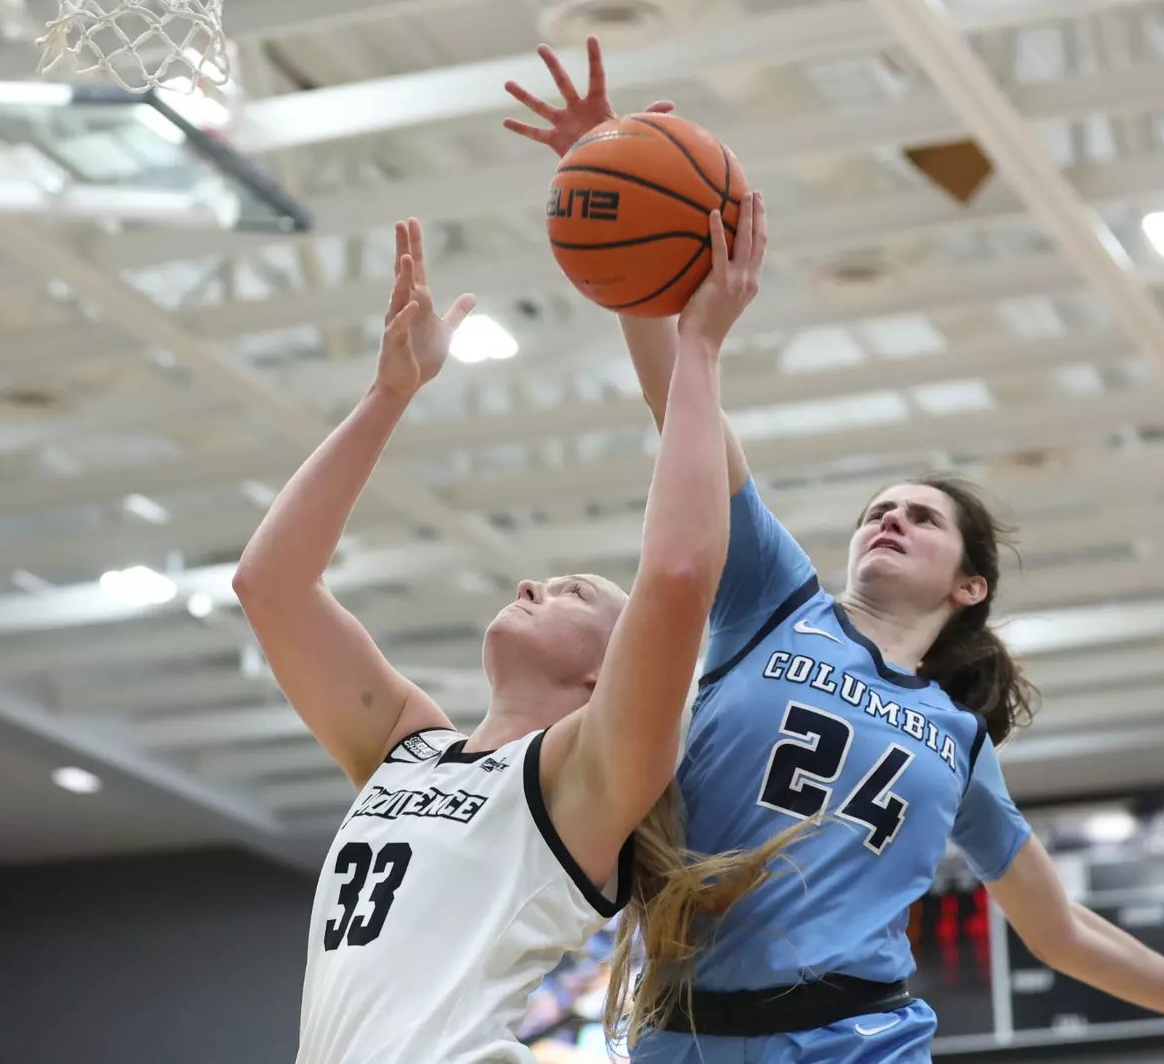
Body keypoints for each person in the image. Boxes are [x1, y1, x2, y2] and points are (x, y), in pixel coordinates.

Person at [504, 38, 1164, 1062]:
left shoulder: (958, 740)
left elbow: (1057, 927)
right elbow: (682, 409)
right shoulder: (770, 600)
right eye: (879, 507)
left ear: (970, 585)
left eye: (922, 516)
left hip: (857, 1033)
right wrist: (612, 179)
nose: (889, 518)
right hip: (684, 1032)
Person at [232, 206, 768, 1063]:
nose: (532, 584)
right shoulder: (403, 747)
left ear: (609, 673)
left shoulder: (583, 787)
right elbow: (269, 584)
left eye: (573, 591)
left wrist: (696, 353)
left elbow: (675, 575)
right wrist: (388, 395)